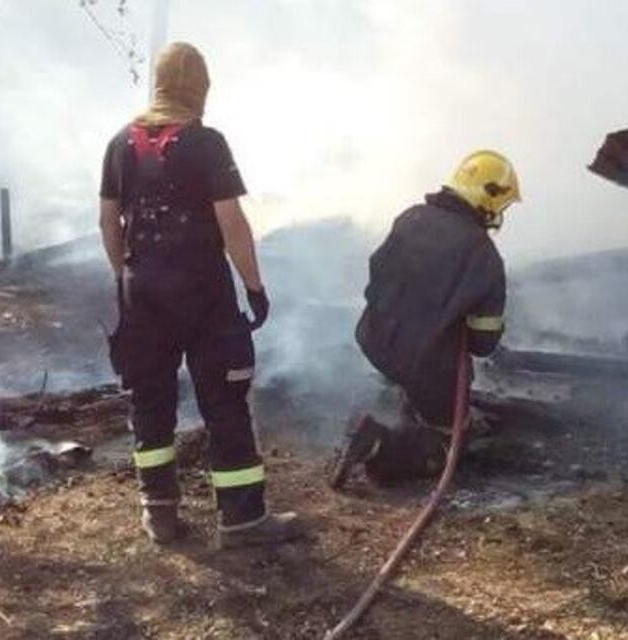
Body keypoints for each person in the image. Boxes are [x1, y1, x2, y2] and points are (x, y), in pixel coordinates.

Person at [99, 42, 303, 548]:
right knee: (224, 401)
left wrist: (126, 275)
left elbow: (108, 219)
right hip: (203, 295)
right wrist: (254, 287)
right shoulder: (207, 143)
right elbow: (231, 222)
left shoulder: (119, 143)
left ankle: (159, 515)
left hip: (141, 292)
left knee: (149, 399)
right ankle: (242, 521)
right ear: (199, 88)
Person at [329, 150, 520, 488]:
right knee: (448, 448)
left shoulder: (411, 218)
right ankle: (375, 443)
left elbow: (377, 276)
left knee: (418, 374)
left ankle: (408, 409)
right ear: (489, 199)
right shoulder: (483, 254)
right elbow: (483, 343)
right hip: (423, 364)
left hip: (374, 339)